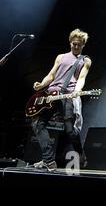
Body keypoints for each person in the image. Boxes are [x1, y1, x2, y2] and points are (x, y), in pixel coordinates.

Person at [31, 28, 92, 170]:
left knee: (70, 130)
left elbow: (81, 78)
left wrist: (77, 91)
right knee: (37, 123)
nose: (76, 47)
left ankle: (80, 153)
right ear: (70, 42)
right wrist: (41, 84)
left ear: (83, 45)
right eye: (74, 44)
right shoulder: (61, 57)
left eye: (79, 45)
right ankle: (48, 160)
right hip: (50, 94)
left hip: (67, 94)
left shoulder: (85, 60)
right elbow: (51, 75)